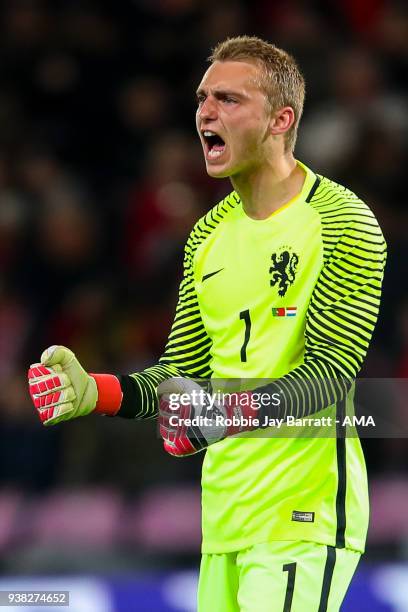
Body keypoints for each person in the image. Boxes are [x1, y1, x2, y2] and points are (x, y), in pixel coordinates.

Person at [28, 36, 386, 611]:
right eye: (202, 98)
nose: (205, 113)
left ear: (281, 119)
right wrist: (96, 391)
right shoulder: (206, 236)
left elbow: (331, 373)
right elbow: (181, 373)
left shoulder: (341, 219)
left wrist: (220, 414)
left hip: (301, 516)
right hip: (223, 520)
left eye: (228, 99)